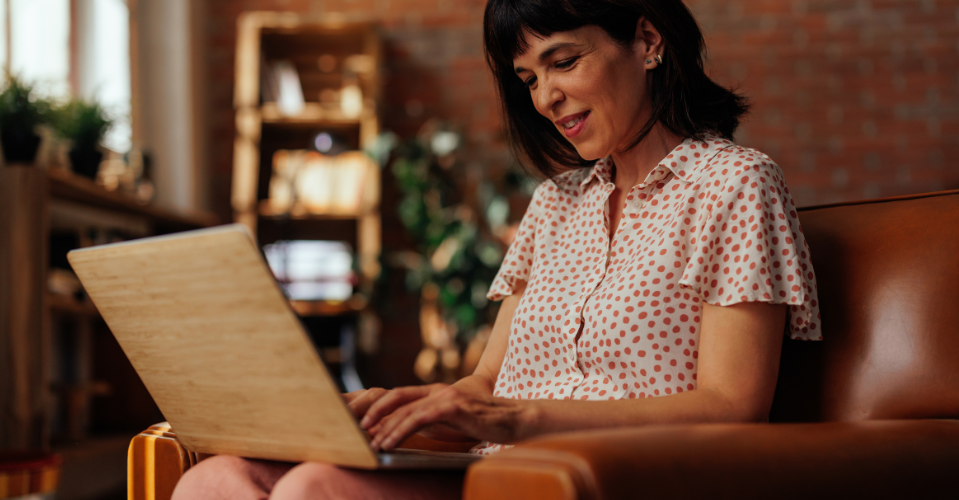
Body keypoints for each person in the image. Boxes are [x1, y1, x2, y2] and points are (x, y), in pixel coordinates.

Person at [173, 0, 821, 498]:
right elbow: (488, 383)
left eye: (564, 62)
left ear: (648, 42)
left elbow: (733, 405)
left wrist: (518, 419)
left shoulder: (734, 182)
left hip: (611, 477)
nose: (544, 97)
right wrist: (397, 406)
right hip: (498, 472)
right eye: (527, 77)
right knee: (218, 478)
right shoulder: (556, 202)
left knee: (314, 489)